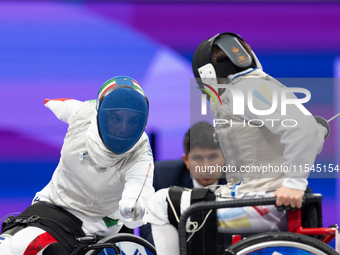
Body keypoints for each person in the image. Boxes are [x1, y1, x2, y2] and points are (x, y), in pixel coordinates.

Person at [146, 33, 328, 255]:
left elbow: (303, 130)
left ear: (207, 75)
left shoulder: (244, 91)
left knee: (160, 203)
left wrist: (294, 184)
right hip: (257, 199)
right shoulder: (262, 84)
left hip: (264, 206)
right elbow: (308, 135)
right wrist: (319, 131)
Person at [0, 76, 155, 255]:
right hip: (51, 204)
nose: (123, 128)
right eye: (116, 118)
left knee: (24, 246)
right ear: (100, 113)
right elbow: (62, 105)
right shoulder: (82, 115)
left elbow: (137, 194)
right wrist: (49, 102)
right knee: (5, 246)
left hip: (95, 224)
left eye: (133, 121)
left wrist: (132, 207)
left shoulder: (140, 155)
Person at [140, 122, 227, 244]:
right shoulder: (163, 177)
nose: (206, 166)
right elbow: (148, 229)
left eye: (213, 157)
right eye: (198, 158)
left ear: (224, 157)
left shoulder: (240, 180)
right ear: (186, 160)